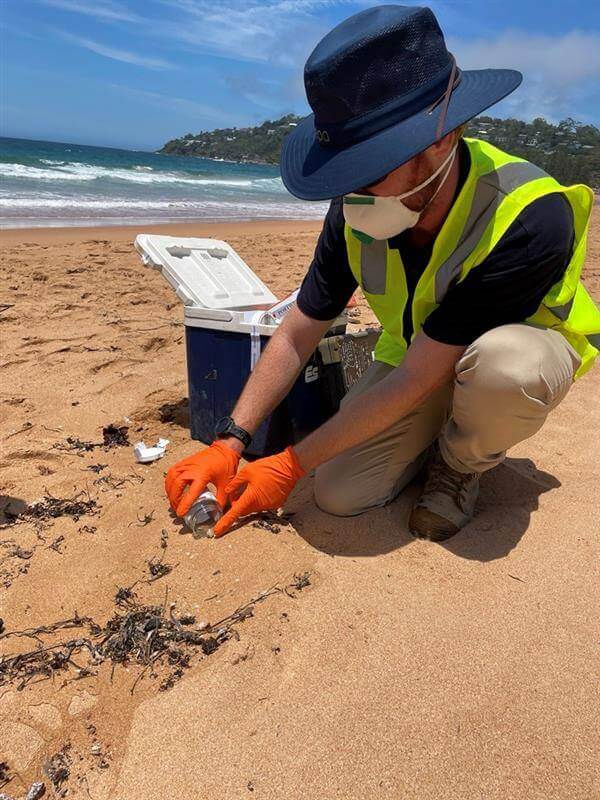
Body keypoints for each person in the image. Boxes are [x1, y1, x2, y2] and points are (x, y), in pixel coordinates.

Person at [165, 5, 599, 541]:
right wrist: (230, 440)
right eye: (347, 173)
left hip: (514, 355)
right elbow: (301, 328)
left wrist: (286, 466)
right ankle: (438, 428)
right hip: (418, 353)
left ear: (444, 137)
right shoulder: (357, 205)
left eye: (371, 168)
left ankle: (461, 465)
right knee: (340, 493)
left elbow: (421, 375)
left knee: (505, 371)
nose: (355, 194)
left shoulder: (529, 215)